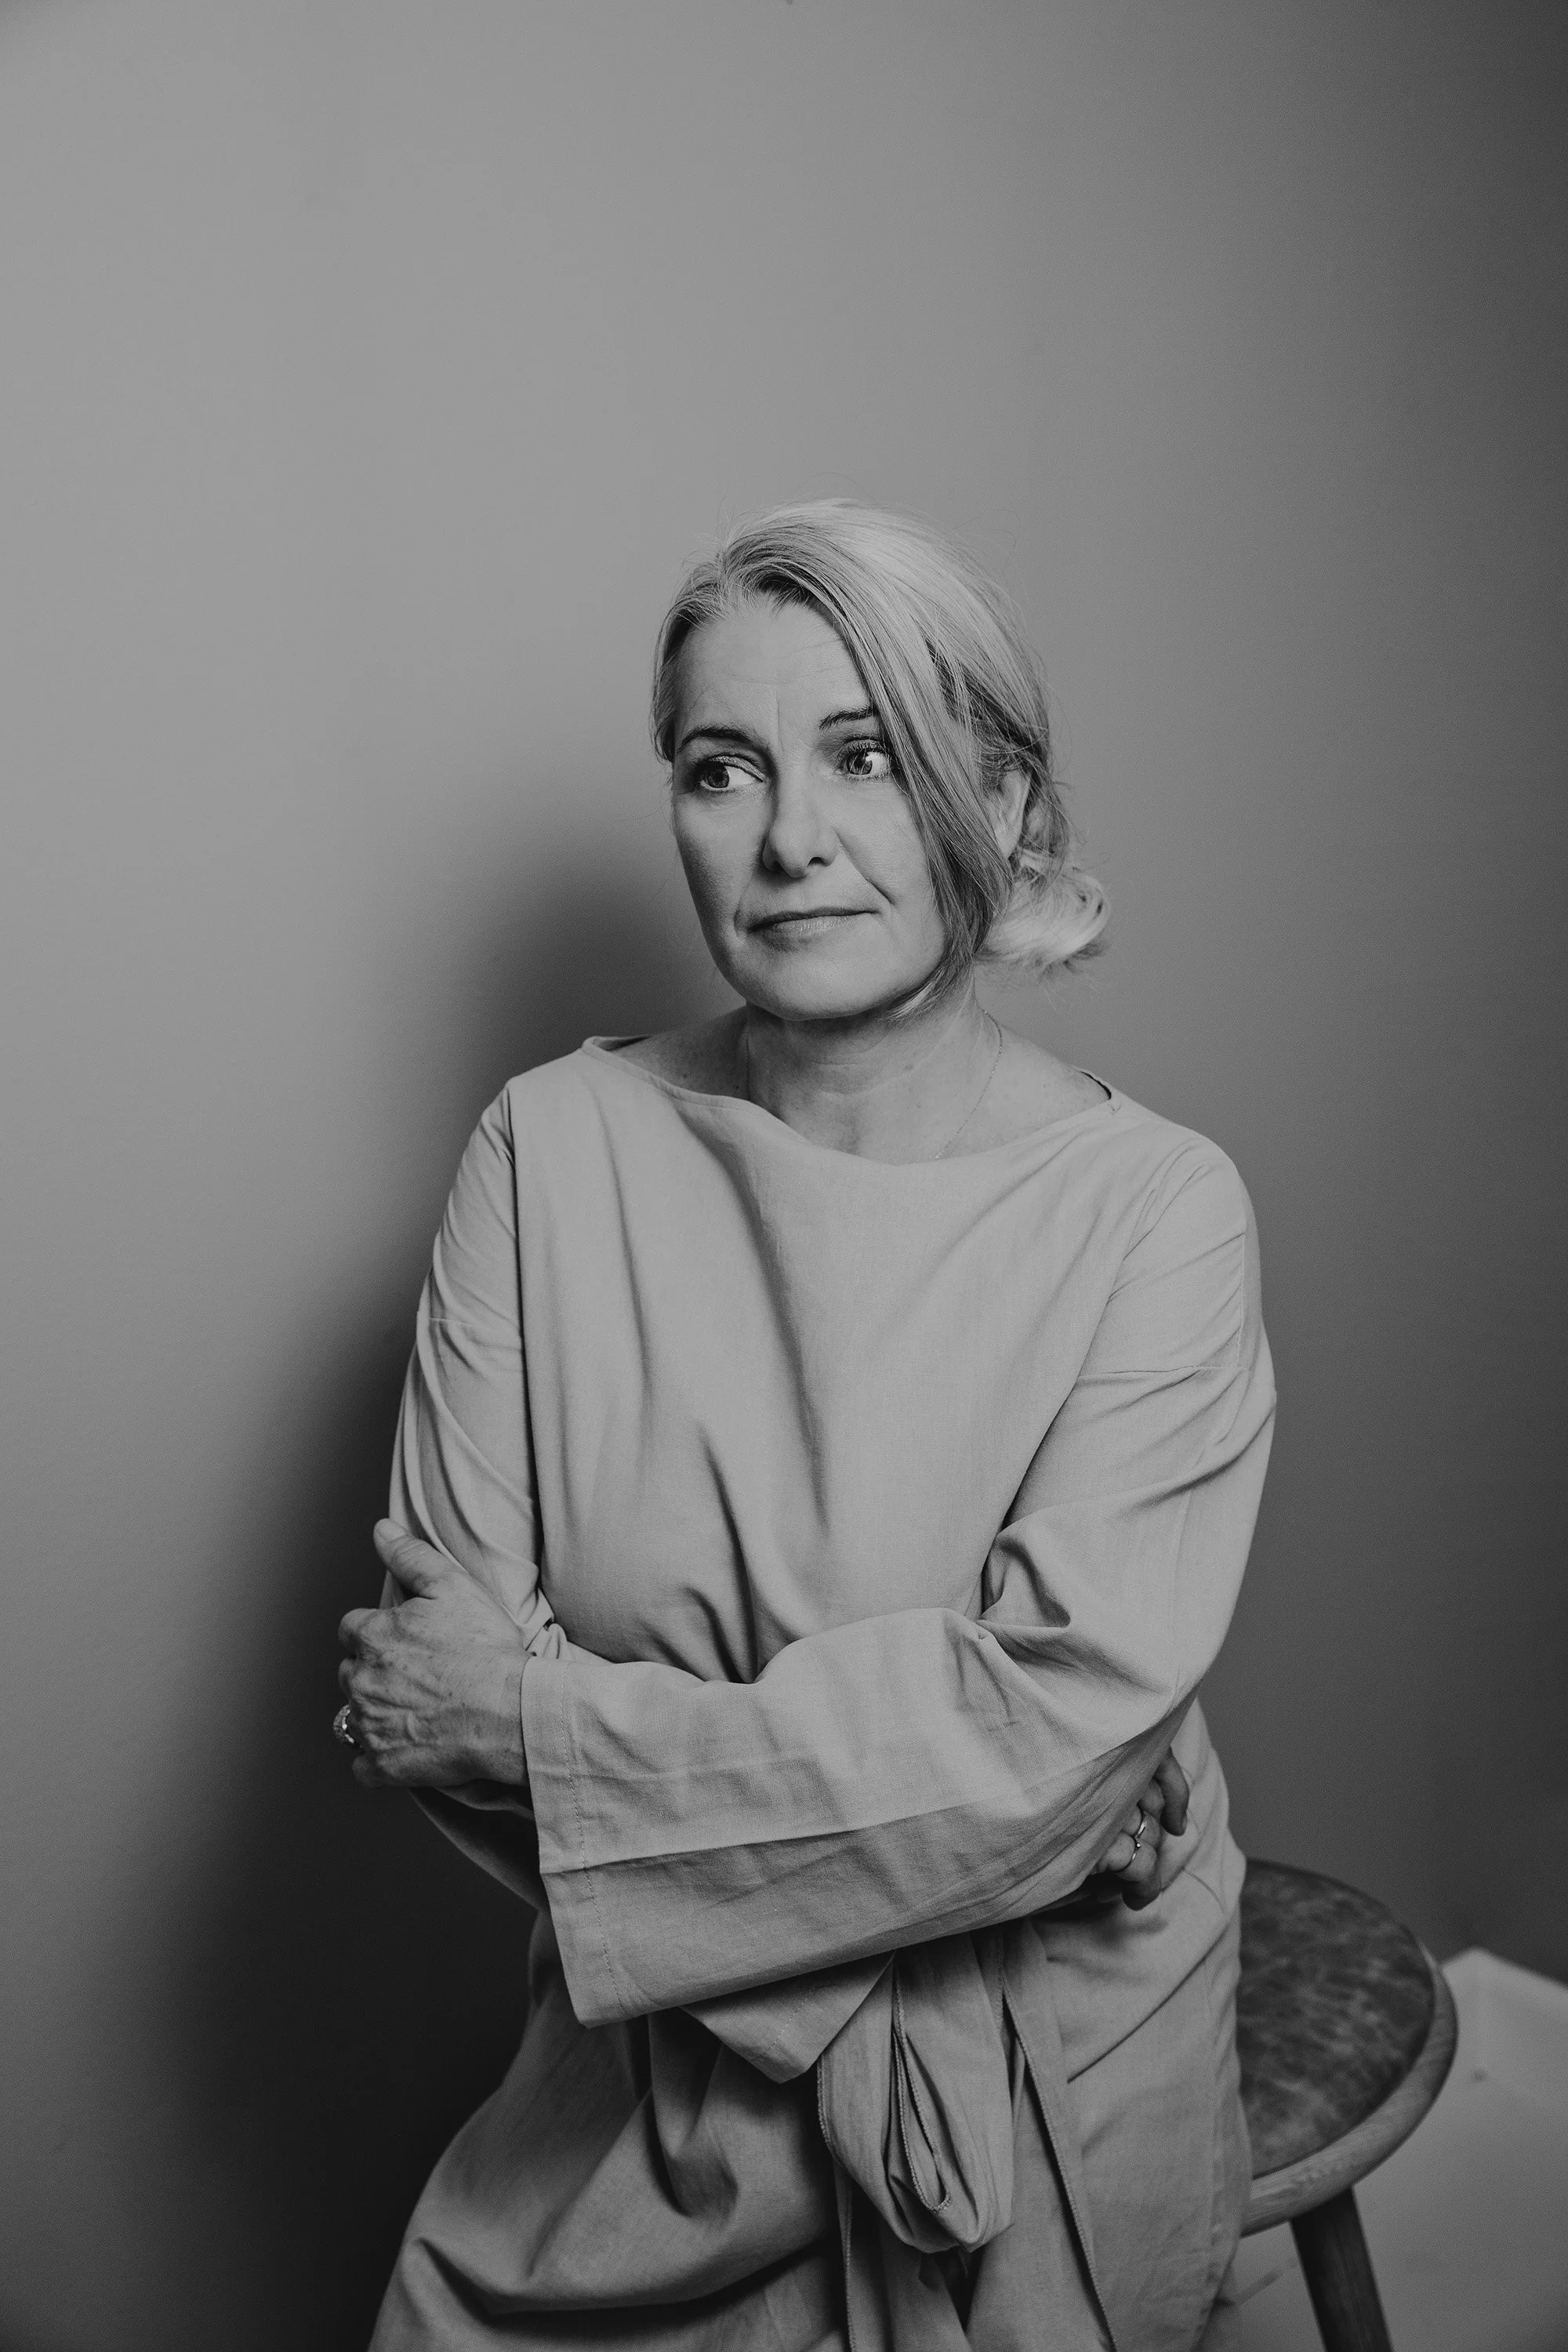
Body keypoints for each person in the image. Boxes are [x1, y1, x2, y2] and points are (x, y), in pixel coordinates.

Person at [336, 501, 1276, 2351]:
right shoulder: (549, 1152)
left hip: (1040, 2095)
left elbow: (492, 1716)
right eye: (719, 768)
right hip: (653, 2102)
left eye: (862, 755)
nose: (788, 839)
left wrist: (545, 1720)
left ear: (998, 807)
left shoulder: (1161, 1210)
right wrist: (979, 1821)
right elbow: (428, 1724)